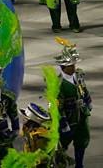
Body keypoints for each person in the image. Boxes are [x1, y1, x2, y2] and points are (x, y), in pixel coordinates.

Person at [55, 39, 91, 168]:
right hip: (69, 119)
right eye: (70, 65)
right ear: (63, 67)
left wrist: (88, 101)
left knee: (82, 141)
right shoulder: (58, 84)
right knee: (62, 144)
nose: (73, 67)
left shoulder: (78, 74)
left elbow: (84, 89)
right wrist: (64, 124)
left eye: (74, 64)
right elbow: (58, 107)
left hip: (82, 115)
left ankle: (79, 165)